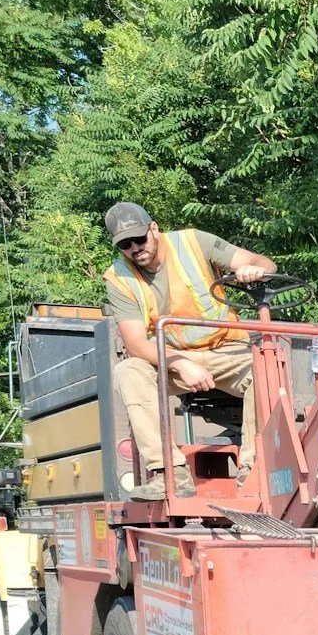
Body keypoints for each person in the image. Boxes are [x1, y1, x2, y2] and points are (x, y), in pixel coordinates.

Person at [99, 201, 276, 490]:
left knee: (266, 366)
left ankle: (253, 467)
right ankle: (169, 473)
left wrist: (254, 271)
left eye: (139, 238)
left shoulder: (193, 242)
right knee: (128, 370)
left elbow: (264, 263)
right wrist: (179, 362)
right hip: (174, 361)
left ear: (154, 229)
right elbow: (135, 344)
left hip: (227, 351)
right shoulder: (118, 278)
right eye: (125, 244)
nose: (135, 248)